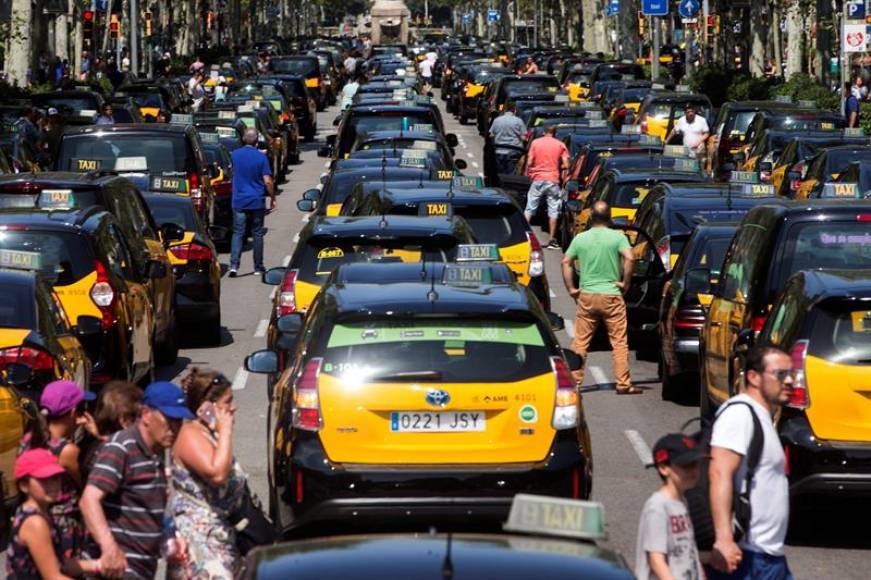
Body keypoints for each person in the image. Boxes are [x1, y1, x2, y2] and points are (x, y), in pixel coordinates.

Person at [80, 382, 193, 579]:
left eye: (179, 421)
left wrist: (171, 539)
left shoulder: (156, 452)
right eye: (169, 420)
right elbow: (89, 500)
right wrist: (110, 549)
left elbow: (149, 510)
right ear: (146, 414)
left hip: (142, 568)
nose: (174, 429)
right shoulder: (121, 447)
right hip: (119, 569)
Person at [708, 346, 793, 580]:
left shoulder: (761, 417)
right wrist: (724, 538)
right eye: (780, 374)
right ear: (754, 377)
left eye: (791, 374)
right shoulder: (740, 415)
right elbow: (719, 472)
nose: (790, 381)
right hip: (748, 558)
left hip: (769, 557)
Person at [169, 369, 248, 579]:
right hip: (199, 544)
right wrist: (226, 431)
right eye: (227, 401)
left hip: (221, 539)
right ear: (206, 407)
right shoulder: (189, 435)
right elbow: (217, 474)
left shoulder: (210, 436)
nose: (234, 407)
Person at [561, 201, 638, 393]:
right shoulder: (617, 237)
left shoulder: (580, 239)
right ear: (609, 217)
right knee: (619, 341)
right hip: (611, 295)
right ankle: (623, 383)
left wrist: (572, 288)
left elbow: (566, 261)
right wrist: (625, 283)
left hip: (587, 294)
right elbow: (630, 258)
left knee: (581, 340)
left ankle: (575, 382)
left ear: (592, 217)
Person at [20, 380, 97, 561]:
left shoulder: (29, 439)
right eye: (81, 408)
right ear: (72, 413)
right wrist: (97, 435)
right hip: (63, 529)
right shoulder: (67, 451)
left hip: (33, 522)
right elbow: (87, 486)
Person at [6, 449, 101, 579]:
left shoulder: (41, 513)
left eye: (55, 478)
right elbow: (54, 577)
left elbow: (61, 564)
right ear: (24, 485)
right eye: (43, 479)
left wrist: (98, 565)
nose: (52, 485)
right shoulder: (35, 523)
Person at [636, 433, 706, 580]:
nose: (693, 470)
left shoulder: (682, 502)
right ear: (663, 468)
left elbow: (687, 551)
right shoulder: (657, 507)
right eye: (686, 465)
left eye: (695, 464)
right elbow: (656, 560)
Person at [229, 128, 275, 277]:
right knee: (257, 234)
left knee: (238, 233)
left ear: (243, 139)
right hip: (256, 201)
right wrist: (273, 197)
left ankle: (234, 265)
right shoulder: (261, 158)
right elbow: (267, 181)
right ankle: (258, 266)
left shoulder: (234, 155)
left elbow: (230, 173)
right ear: (257, 141)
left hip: (239, 201)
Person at [524, 123, 569, 248]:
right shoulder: (560, 145)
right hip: (552, 180)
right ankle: (551, 240)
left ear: (544, 132)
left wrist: (533, 170)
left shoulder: (535, 143)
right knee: (553, 209)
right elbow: (566, 165)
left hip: (537, 179)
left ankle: (523, 234)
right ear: (555, 133)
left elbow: (529, 161)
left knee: (530, 207)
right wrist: (558, 166)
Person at [489, 102, 528, 175]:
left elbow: (491, 135)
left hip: (499, 150)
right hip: (513, 152)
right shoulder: (518, 121)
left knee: (499, 173)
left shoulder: (497, 120)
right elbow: (524, 137)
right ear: (514, 110)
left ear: (505, 109)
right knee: (511, 174)